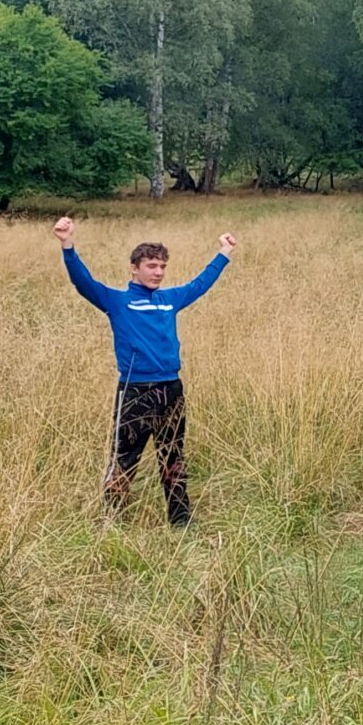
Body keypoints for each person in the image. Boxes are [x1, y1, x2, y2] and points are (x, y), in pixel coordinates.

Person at [55, 215, 236, 530]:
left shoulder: (169, 300)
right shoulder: (117, 301)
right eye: (152, 266)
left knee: (173, 455)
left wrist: (224, 253)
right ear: (134, 268)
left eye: (162, 266)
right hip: (135, 391)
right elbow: (83, 282)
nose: (158, 272)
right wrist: (67, 244)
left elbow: (200, 284)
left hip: (171, 389)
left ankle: (180, 520)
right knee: (124, 457)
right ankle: (114, 521)